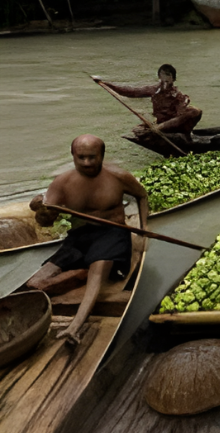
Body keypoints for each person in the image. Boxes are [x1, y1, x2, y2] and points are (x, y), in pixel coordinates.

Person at [27, 135, 148, 345]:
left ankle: (75, 327)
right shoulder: (62, 183)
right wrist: (42, 211)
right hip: (80, 236)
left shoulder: (118, 177)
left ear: (102, 155)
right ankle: (78, 273)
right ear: (73, 155)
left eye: (92, 157)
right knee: (35, 281)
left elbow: (142, 196)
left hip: (112, 232)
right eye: (81, 158)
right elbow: (46, 221)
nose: (87, 163)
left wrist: (144, 229)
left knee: (98, 268)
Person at [95, 64, 202, 138]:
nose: (165, 78)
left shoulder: (177, 95)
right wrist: (106, 84)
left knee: (195, 111)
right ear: (159, 76)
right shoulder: (154, 90)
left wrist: (161, 127)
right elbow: (130, 92)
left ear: (173, 79)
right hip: (160, 122)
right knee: (137, 130)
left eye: (168, 75)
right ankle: (157, 129)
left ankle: (180, 134)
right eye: (163, 75)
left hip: (173, 126)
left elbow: (180, 115)